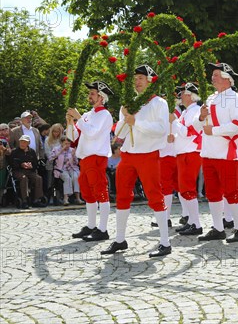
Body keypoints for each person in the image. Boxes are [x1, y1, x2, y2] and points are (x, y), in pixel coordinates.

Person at [101, 65, 171, 257]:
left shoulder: (159, 103)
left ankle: (165, 242)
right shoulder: (130, 102)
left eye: (141, 78)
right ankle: (120, 240)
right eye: (136, 78)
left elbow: (161, 129)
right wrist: (124, 118)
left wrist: (136, 122)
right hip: (128, 154)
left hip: (148, 154)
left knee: (155, 195)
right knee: (122, 195)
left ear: (150, 80)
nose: (137, 81)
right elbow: (119, 133)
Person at [196, 62, 238, 243]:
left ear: (227, 78)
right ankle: (218, 228)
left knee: (231, 191)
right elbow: (200, 126)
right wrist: (201, 117)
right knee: (212, 192)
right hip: (209, 151)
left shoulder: (236, 98)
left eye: (216, 74)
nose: (213, 77)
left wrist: (214, 130)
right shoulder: (210, 98)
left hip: (226, 152)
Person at [66, 81, 115, 242]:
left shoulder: (105, 115)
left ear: (101, 97)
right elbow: (73, 138)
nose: (89, 96)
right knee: (87, 193)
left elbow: (93, 133)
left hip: (96, 157)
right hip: (85, 157)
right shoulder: (87, 115)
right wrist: (70, 122)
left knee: (100, 191)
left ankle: (103, 229)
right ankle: (91, 225)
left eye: (93, 93)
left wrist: (78, 118)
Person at [169, 83, 204, 235]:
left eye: (183, 93)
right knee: (184, 189)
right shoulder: (187, 112)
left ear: (190, 95)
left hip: (190, 153)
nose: (180, 96)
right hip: (185, 153)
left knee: (188, 189)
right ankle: (191, 221)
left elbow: (188, 132)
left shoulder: (195, 111)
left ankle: (196, 224)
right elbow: (183, 133)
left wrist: (174, 121)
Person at [10, 135, 45, 208]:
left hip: (29, 171)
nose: (22, 144)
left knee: (38, 178)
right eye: (21, 142)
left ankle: (37, 199)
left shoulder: (32, 151)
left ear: (28, 143)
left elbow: (35, 164)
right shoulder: (14, 151)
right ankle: (25, 200)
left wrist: (31, 166)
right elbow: (12, 164)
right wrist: (21, 165)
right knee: (24, 178)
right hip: (18, 171)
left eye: (24, 142)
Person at [49, 136, 83, 205]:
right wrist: (61, 151)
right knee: (67, 178)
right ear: (61, 143)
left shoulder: (72, 150)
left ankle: (77, 198)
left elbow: (76, 163)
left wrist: (73, 156)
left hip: (72, 168)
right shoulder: (56, 149)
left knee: (76, 177)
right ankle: (66, 198)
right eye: (65, 143)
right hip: (61, 169)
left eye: (68, 144)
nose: (67, 145)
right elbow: (50, 159)